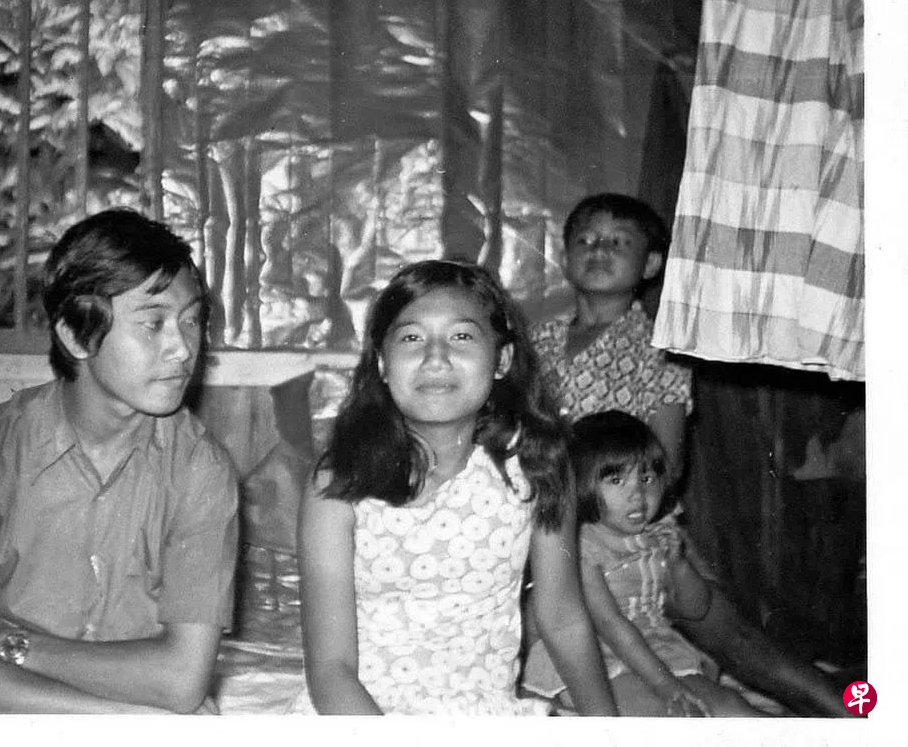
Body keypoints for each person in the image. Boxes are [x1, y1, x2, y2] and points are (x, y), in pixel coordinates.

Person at [0, 209, 239, 713]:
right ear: (77, 336)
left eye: (191, 321)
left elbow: (181, 681)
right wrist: (122, 720)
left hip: (16, 674)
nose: (182, 349)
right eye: (153, 324)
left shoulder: (201, 470)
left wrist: (18, 648)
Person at [296, 259, 617, 715]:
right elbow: (331, 670)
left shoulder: (536, 467)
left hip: (484, 715)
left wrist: (608, 730)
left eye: (461, 336)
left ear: (502, 359)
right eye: (412, 338)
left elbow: (562, 618)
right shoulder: (339, 484)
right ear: (382, 363)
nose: (436, 357)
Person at [524, 410, 808, 716]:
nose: (638, 494)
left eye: (646, 478)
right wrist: (666, 685)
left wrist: (679, 565)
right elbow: (610, 625)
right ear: (581, 484)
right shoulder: (579, 547)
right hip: (596, 661)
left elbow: (695, 608)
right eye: (616, 480)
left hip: (656, 650)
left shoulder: (658, 534)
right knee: (675, 717)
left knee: (733, 708)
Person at [530, 193, 691, 484]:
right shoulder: (536, 340)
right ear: (565, 259)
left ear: (650, 264)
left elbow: (667, 464)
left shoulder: (662, 351)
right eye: (585, 240)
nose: (599, 249)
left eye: (618, 242)